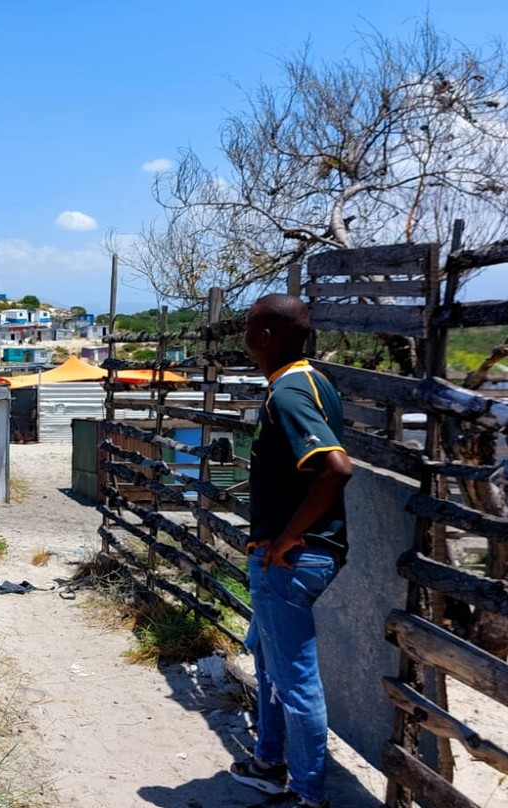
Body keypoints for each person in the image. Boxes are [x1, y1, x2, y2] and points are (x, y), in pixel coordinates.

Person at [229, 294, 353, 808]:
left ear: (263, 337)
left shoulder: (290, 394)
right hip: (294, 557)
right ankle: (269, 759)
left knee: (296, 680)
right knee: (266, 654)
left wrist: (286, 538)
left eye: (248, 329)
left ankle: (308, 793)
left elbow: (337, 468)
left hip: (290, 561)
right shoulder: (314, 382)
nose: (244, 338)